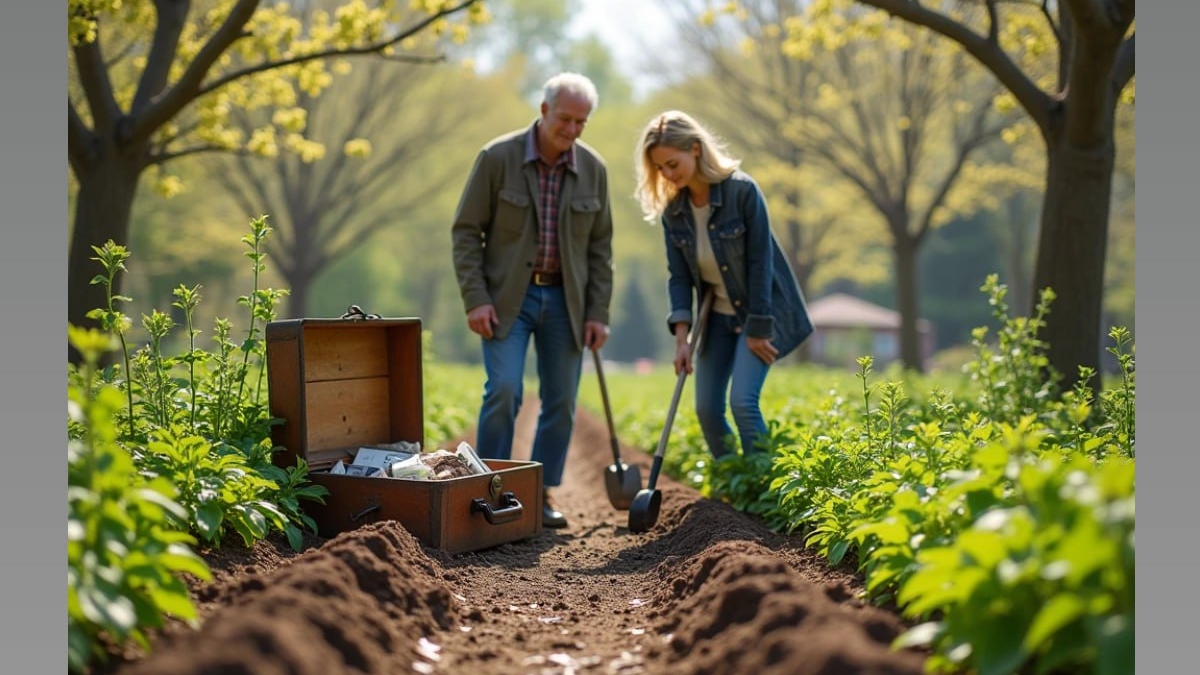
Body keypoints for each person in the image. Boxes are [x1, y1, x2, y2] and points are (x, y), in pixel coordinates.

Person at [451, 72, 614, 529]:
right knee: (504, 389)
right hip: (506, 301)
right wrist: (476, 298)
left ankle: (539, 494)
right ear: (543, 111)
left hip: (568, 302)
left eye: (582, 122)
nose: (574, 129)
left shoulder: (594, 171)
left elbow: (601, 250)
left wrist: (598, 312)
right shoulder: (497, 157)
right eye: (566, 118)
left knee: (561, 402)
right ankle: (487, 490)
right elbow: (466, 231)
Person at [633, 110, 813, 459]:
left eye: (673, 163)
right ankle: (732, 487)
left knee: (743, 403)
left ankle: (763, 489)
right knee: (707, 410)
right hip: (715, 318)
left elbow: (763, 264)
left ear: (696, 149)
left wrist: (759, 328)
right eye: (660, 169)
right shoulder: (675, 212)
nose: (668, 174)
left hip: (759, 314)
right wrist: (682, 341)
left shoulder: (742, 192)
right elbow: (680, 277)